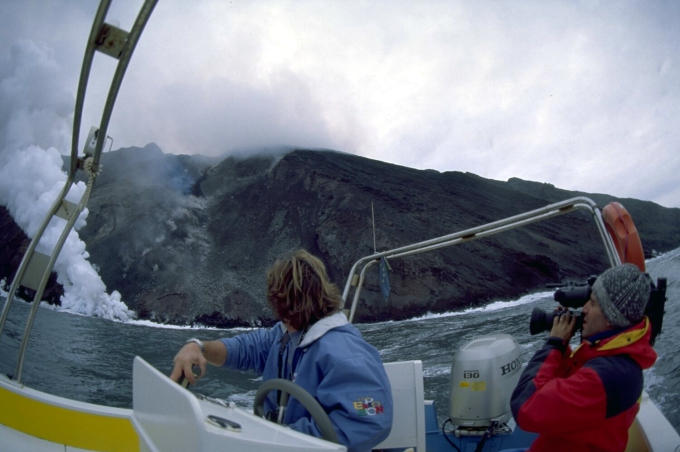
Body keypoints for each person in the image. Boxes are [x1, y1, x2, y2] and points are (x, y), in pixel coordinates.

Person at [170, 249, 393, 451]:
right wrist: (198, 347)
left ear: (295, 307)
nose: (278, 316)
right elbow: (246, 348)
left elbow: (368, 422)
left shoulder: (345, 353)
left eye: (282, 308)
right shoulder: (288, 334)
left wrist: (284, 438)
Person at [510, 263, 657, 452]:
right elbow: (557, 386)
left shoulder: (607, 376)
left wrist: (554, 344)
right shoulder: (610, 354)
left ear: (611, 317)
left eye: (593, 303)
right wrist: (563, 348)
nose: (584, 309)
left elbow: (525, 408)